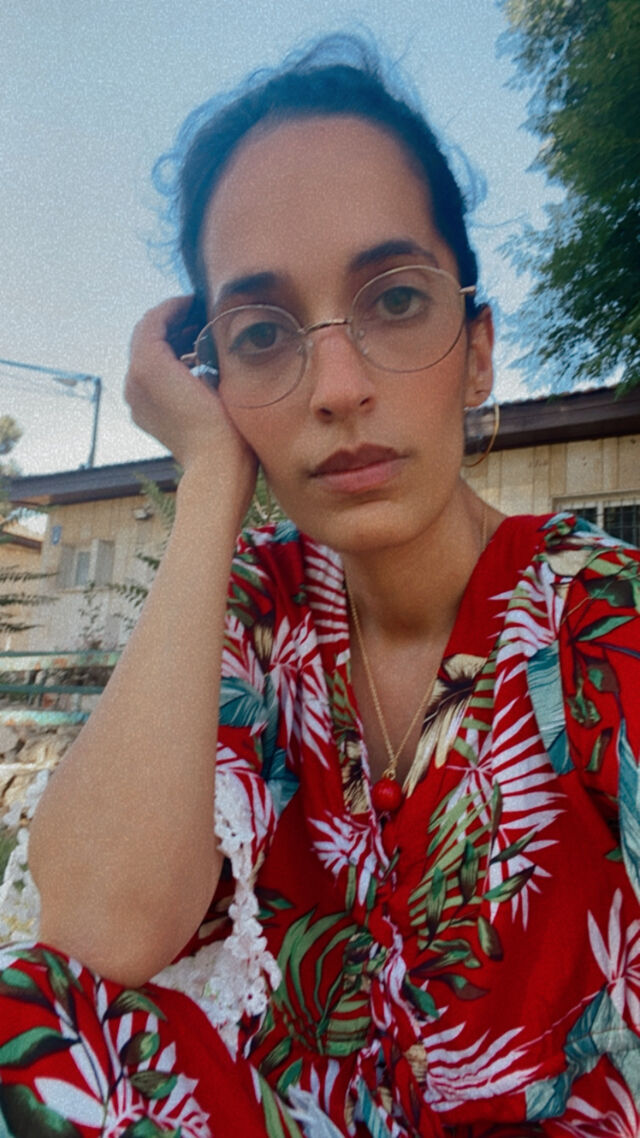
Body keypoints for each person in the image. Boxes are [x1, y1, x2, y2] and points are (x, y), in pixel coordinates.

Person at [1, 32, 639, 1138]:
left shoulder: (603, 620)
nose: (337, 386)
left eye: (394, 301)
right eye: (262, 332)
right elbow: (93, 941)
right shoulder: (251, 611)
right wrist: (212, 476)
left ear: (478, 350)